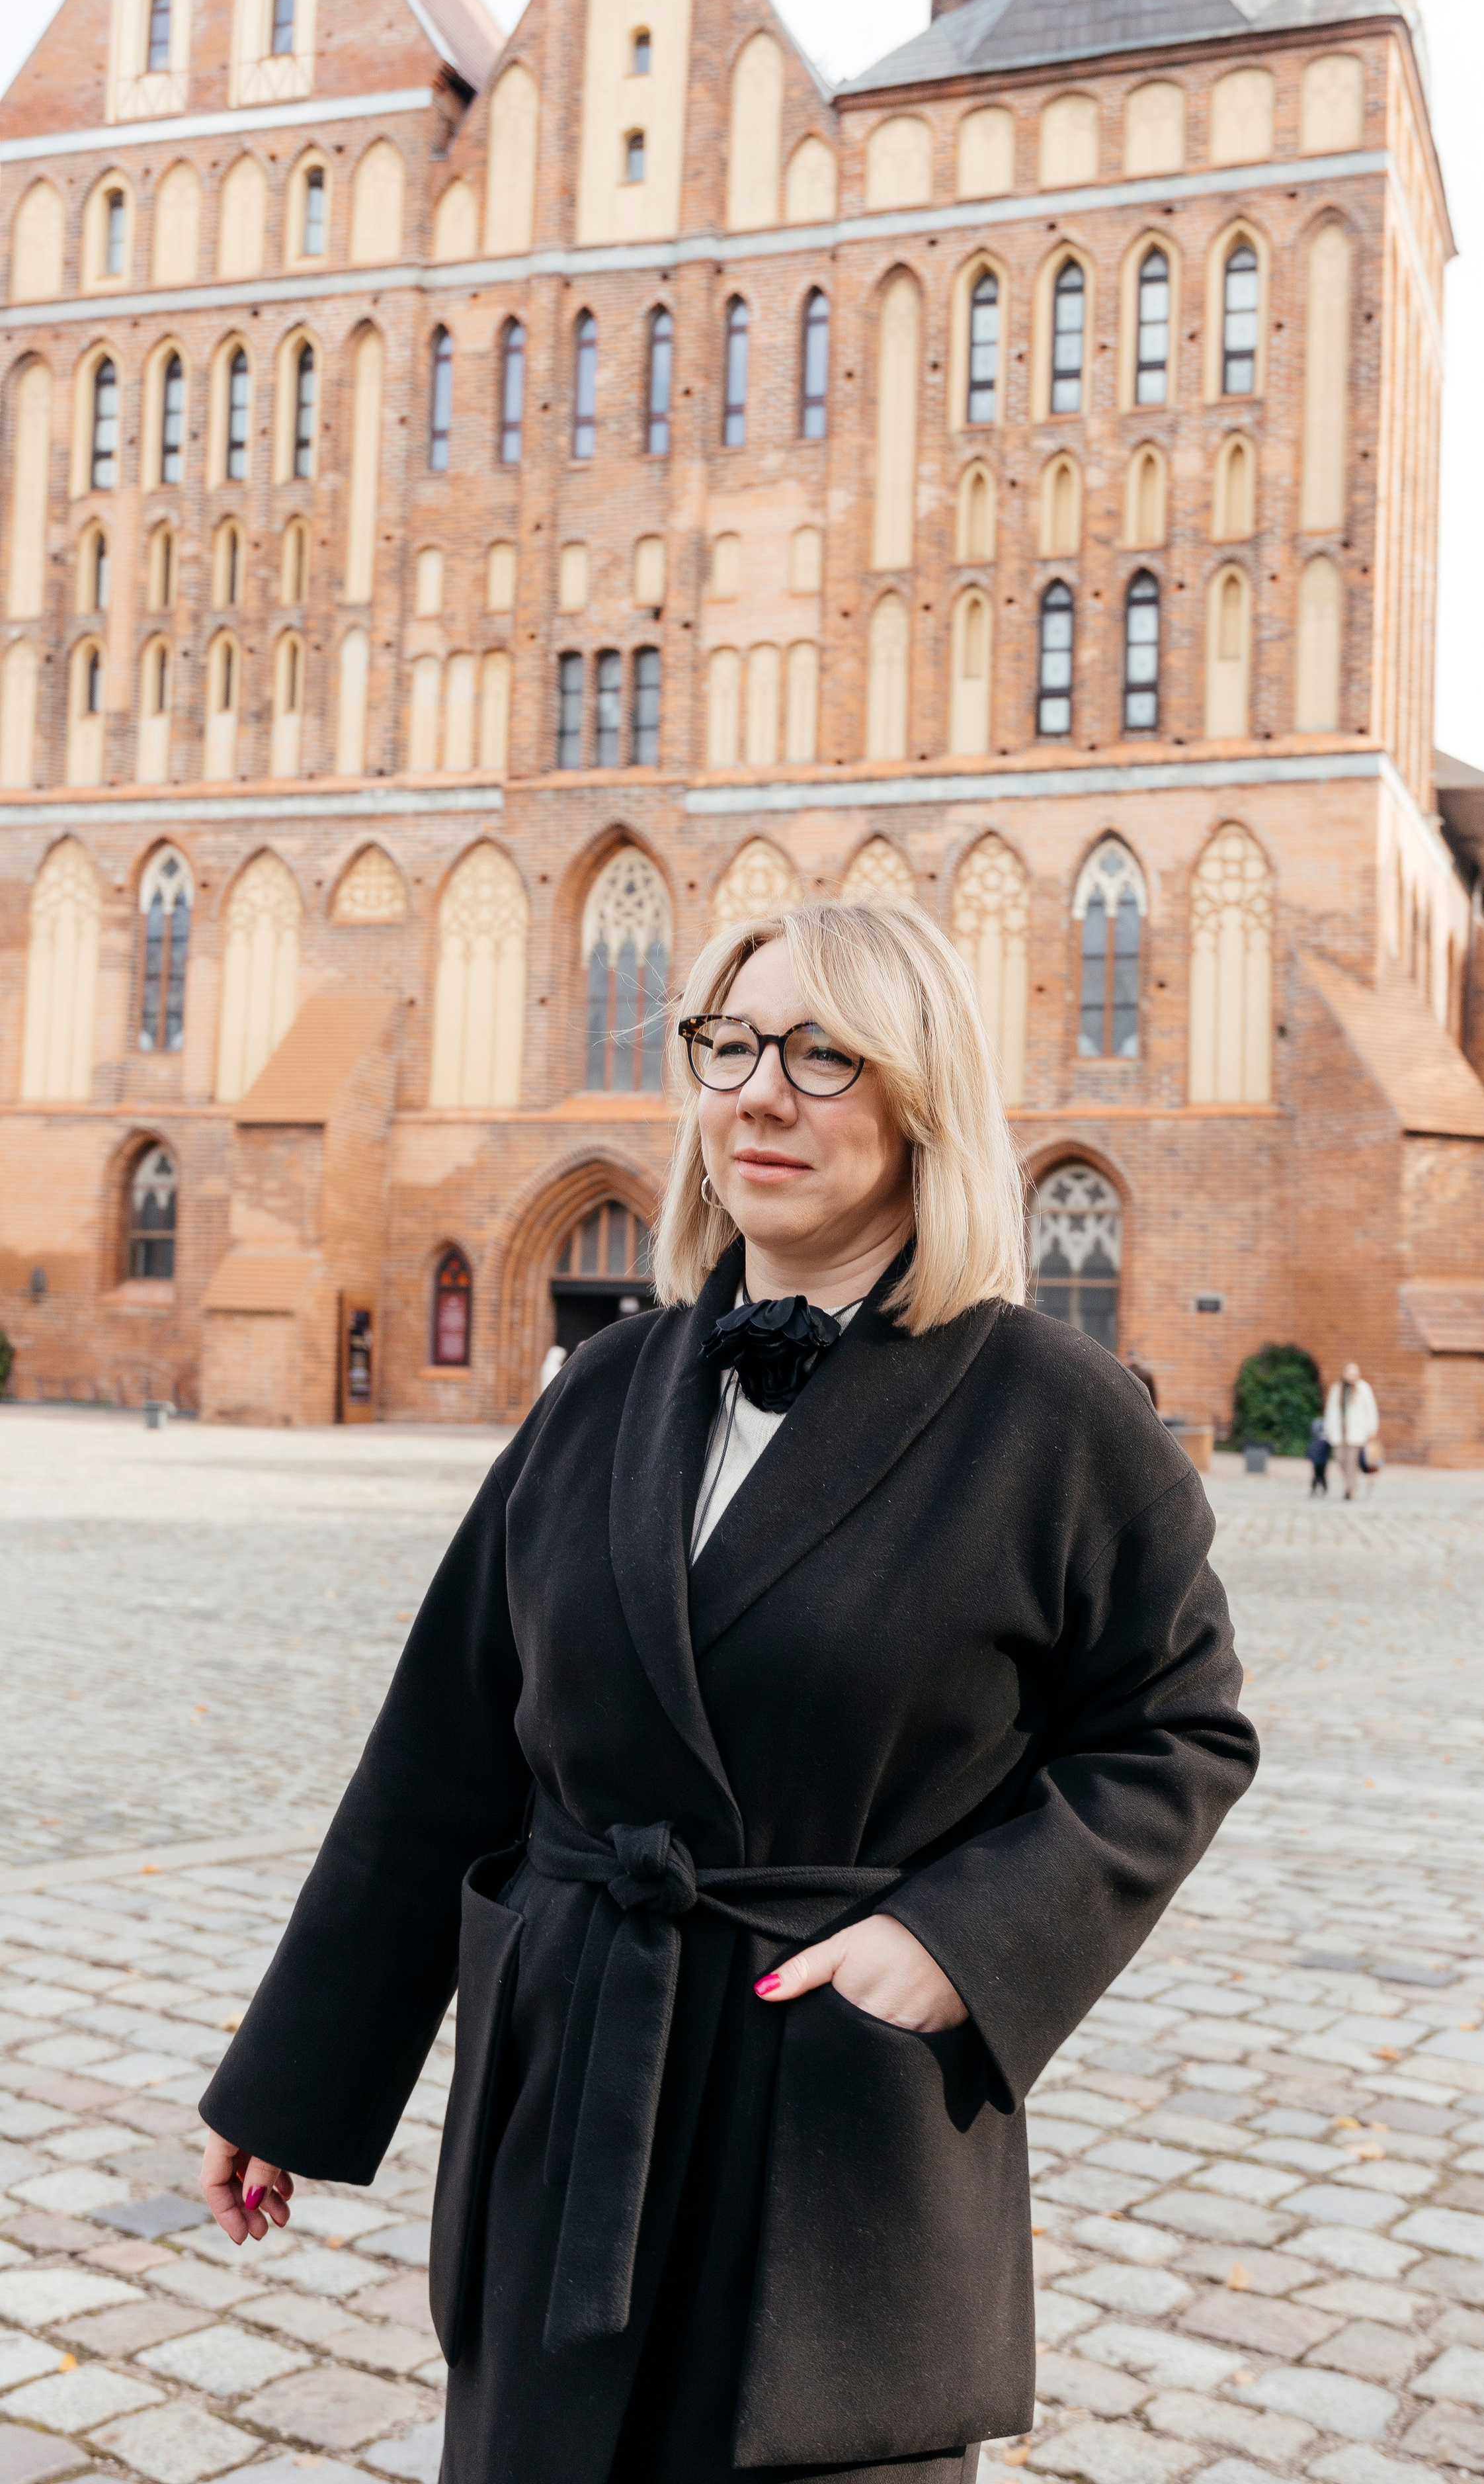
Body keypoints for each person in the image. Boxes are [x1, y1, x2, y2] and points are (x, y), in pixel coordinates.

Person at [198, 900, 1257, 2484]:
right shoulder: (606, 1388)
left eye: (825, 1053)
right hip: (565, 2111)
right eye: (731, 1043)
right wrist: (294, 2072)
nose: (762, 1092)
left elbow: (1176, 1730)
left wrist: (953, 1943)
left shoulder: (1054, 1413)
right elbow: (438, 1751)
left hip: (825, 2129)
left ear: (922, 1099)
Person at [1322, 1360, 1380, 1500]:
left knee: (1352, 1462)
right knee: (1341, 1458)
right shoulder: (1337, 1388)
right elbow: (1330, 1410)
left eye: (1354, 1373)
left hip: (1356, 1431)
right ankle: (1351, 1485)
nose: (1351, 1375)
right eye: (1349, 1372)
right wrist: (1328, 1428)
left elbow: (1371, 1410)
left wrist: (1372, 1429)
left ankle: (1350, 1490)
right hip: (1339, 1430)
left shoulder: (1364, 1388)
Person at [1307, 1414, 1331, 1497]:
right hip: (1318, 1453)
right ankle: (1319, 1488)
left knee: (1321, 1472)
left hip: (1322, 1453)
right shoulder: (1320, 1423)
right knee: (1318, 1472)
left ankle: (1320, 1488)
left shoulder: (1320, 1423)